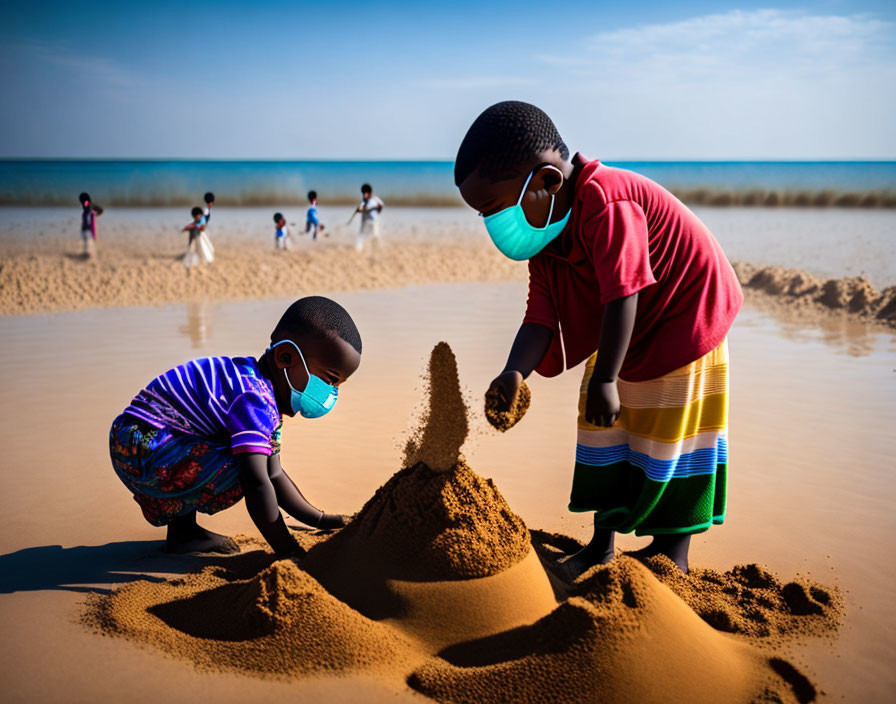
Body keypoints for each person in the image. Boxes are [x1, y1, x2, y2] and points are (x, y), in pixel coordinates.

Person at [455, 101, 743, 575]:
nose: (490, 224)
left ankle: (673, 554)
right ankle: (602, 544)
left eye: (492, 209)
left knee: (672, 434)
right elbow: (540, 318)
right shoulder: (547, 242)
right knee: (602, 432)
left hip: (684, 316)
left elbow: (623, 292)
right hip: (626, 329)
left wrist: (607, 376)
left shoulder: (607, 201)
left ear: (547, 182)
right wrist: (514, 371)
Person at [108, 296, 362, 556]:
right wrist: (289, 551)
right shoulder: (253, 400)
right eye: (329, 380)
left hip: (142, 440)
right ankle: (183, 532)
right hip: (142, 446)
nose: (330, 393)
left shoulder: (257, 388)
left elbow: (275, 473)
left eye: (336, 386)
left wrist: (319, 520)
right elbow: (259, 482)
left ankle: (183, 533)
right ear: (285, 357)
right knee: (245, 465)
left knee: (250, 456)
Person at [353, 183, 383, 253]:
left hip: (374, 221)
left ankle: (376, 249)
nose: (364, 195)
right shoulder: (364, 202)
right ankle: (359, 249)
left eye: (366, 193)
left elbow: (380, 205)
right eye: (364, 193)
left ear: (369, 193)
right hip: (365, 222)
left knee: (376, 236)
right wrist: (360, 209)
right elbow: (361, 208)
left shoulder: (375, 199)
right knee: (362, 235)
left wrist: (376, 208)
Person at [79, 192, 97, 257]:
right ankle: (87, 255)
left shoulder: (89, 209)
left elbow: (91, 222)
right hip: (85, 229)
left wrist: (93, 233)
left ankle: (89, 255)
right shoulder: (86, 209)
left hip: (87, 229)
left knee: (89, 244)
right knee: (86, 244)